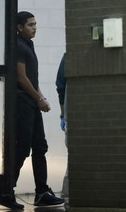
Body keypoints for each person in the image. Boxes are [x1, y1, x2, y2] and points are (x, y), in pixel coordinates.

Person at [0, 11, 65, 209]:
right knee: (22, 148)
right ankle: (5, 191)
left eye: (35, 24)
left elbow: (32, 79)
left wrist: (41, 98)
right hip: (22, 103)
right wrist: (38, 98)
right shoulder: (18, 45)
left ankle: (42, 192)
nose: (35, 27)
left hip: (32, 102)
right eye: (30, 25)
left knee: (40, 147)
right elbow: (21, 78)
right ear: (19, 27)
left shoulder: (28, 44)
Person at [56, 53, 69, 198]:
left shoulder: (67, 56)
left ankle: (67, 196)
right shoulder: (67, 57)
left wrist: (63, 115)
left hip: (70, 112)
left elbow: (60, 86)